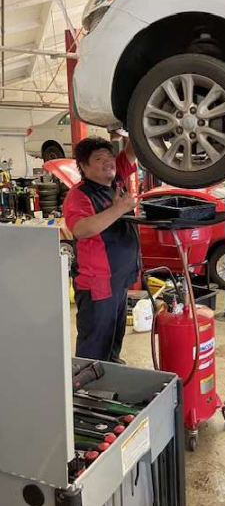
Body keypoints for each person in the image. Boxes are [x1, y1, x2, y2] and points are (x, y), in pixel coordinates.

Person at [63, 136, 140, 363]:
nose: (108, 162)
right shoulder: (79, 195)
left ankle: (111, 372)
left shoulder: (116, 180)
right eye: (99, 158)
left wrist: (136, 122)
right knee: (95, 348)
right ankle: (87, 391)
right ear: (84, 167)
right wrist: (119, 209)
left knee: (114, 339)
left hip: (119, 281)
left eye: (109, 156)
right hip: (98, 285)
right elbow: (81, 229)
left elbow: (133, 149)